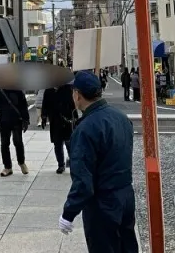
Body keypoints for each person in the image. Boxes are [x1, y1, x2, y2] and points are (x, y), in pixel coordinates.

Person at [58, 71, 137, 253]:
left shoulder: (85, 128)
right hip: (126, 195)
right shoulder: (121, 118)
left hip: (102, 202)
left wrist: (68, 213)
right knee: (127, 247)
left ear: (77, 95)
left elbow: (83, 181)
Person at [0, 84, 30, 177]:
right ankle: (7, 167)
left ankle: (22, 163)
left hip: (17, 121)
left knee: (18, 142)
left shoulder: (17, 90)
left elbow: (23, 106)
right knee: (4, 144)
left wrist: (26, 120)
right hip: (4, 121)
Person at [41, 81, 77, 174]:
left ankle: (73, 164)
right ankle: (61, 164)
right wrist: (44, 117)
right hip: (55, 121)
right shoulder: (48, 90)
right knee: (57, 144)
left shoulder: (67, 89)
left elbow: (72, 105)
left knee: (69, 144)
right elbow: (45, 105)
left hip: (67, 120)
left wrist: (75, 117)